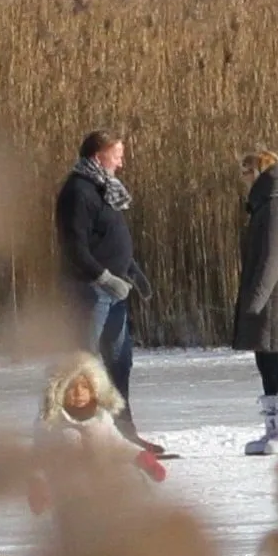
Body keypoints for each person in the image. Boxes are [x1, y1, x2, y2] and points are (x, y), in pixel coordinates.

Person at [54, 129, 163, 454]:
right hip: (90, 290)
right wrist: (102, 277)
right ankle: (77, 437)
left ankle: (123, 434)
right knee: (82, 365)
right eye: (117, 155)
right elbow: (74, 247)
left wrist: (132, 270)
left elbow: (109, 238)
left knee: (119, 362)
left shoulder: (105, 188)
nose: (122, 162)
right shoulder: (78, 191)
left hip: (115, 292)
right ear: (98, 155)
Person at [27, 352, 167, 515]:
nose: (79, 393)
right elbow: (39, 457)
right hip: (68, 497)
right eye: (71, 388)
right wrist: (38, 484)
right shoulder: (51, 424)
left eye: (85, 387)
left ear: (95, 389)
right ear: (58, 391)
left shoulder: (101, 418)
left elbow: (117, 445)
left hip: (104, 490)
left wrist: (141, 457)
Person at [232, 149, 278, 455]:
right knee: (264, 358)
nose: (243, 179)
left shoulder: (276, 205)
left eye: (246, 172)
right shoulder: (265, 204)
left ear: (259, 172)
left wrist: (256, 298)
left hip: (274, 295)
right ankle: (275, 428)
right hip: (265, 294)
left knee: (276, 358)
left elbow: (272, 259)